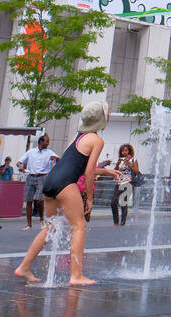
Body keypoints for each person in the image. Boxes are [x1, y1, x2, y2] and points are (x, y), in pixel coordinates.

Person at [14, 102, 115, 286]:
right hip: (65, 184)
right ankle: (76, 276)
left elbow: (81, 166)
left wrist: (108, 172)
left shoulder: (76, 138)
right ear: (101, 119)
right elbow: (89, 172)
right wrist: (90, 199)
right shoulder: (97, 140)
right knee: (79, 226)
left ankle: (24, 267)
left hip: (50, 182)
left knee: (50, 227)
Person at [16, 134, 58, 229]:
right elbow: (19, 161)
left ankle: (41, 219)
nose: (48, 143)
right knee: (29, 200)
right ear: (40, 142)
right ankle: (29, 224)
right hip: (31, 176)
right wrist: (20, 166)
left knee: (39, 199)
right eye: (46, 141)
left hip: (42, 177)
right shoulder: (31, 152)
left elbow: (58, 159)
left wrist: (56, 160)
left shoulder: (49, 152)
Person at [102, 144, 140, 226]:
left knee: (123, 202)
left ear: (129, 151)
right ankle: (116, 221)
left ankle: (123, 221)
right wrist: (117, 164)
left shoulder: (133, 160)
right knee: (113, 202)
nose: (124, 152)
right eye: (122, 151)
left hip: (129, 183)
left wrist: (130, 165)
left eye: (126, 150)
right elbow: (115, 171)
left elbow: (136, 171)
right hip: (119, 182)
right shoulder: (120, 160)